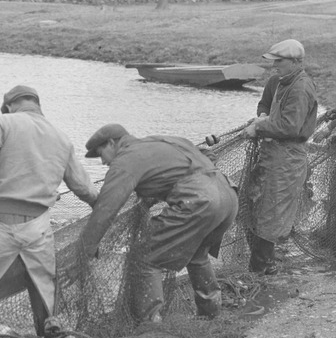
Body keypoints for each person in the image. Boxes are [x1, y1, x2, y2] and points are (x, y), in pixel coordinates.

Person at [0, 85, 98, 338]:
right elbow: (83, 188)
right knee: (43, 292)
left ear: (9, 106)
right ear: (38, 106)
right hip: (38, 228)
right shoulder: (62, 138)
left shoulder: (3, 122)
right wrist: (104, 205)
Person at [76, 124, 238, 323]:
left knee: (144, 257)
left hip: (201, 202)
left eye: (101, 154)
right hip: (228, 196)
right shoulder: (163, 140)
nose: (102, 162)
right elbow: (206, 159)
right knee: (197, 253)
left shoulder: (126, 160)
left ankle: (151, 328)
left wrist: (86, 249)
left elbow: (106, 208)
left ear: (112, 143)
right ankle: (211, 315)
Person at [242, 39, 318, 274]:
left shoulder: (300, 87)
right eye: (273, 61)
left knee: (272, 211)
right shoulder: (284, 81)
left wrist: (259, 128)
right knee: (256, 203)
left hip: (288, 156)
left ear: (296, 62)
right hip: (273, 154)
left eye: (279, 61)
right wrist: (263, 118)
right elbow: (271, 111)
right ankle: (264, 265)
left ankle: (261, 268)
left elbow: (290, 127)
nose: (274, 65)